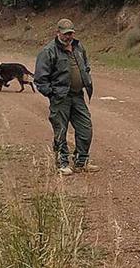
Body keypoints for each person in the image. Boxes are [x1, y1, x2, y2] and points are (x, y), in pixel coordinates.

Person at [34, 18, 99, 176]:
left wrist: (86, 79)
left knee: (85, 128)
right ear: (58, 33)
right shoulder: (48, 51)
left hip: (78, 96)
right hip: (60, 98)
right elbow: (40, 79)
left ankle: (81, 161)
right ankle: (62, 163)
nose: (68, 37)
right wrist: (52, 93)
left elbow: (86, 66)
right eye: (65, 34)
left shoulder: (78, 47)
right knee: (60, 130)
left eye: (70, 33)